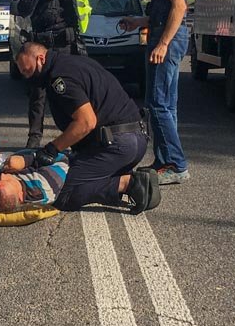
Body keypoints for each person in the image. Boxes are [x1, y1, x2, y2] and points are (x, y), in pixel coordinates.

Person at [15, 42, 160, 214]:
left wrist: (52, 149)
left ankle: (129, 183)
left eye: (27, 70)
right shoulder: (74, 62)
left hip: (118, 145)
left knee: (62, 194)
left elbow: (86, 122)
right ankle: (115, 176)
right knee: (78, 167)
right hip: (136, 139)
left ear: (40, 59)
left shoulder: (59, 79)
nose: (26, 76)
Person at [118, 0, 190, 185]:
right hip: (163, 32)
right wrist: (139, 22)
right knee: (165, 105)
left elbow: (179, 7)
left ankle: (176, 164)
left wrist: (163, 44)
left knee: (157, 103)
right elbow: (163, 10)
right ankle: (165, 161)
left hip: (167, 38)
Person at [14, 0, 105, 149]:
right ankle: (33, 141)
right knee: (38, 95)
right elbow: (22, 10)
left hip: (66, 46)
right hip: (42, 47)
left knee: (70, 93)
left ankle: (76, 138)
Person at [0, 145, 69, 214]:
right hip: (40, 153)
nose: (2, 176)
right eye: (7, 181)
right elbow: (63, 160)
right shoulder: (44, 184)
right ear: (20, 197)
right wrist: (26, 160)